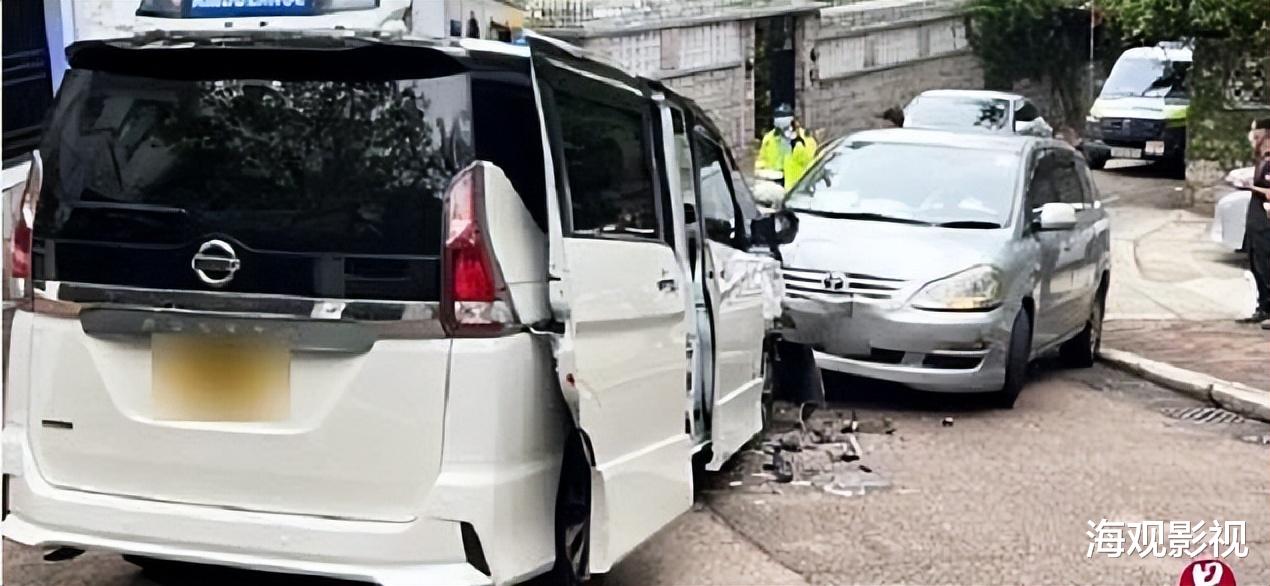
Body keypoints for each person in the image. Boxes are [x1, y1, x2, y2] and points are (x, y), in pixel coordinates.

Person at [1241, 118, 1270, 327]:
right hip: (1257, 220)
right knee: (1256, 262)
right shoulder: (1261, 158)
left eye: (1257, 135)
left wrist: (1250, 187)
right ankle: (1263, 307)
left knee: (1266, 263)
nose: (1254, 139)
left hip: (1266, 218)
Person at [756, 103, 818, 188]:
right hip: (774, 186)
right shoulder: (769, 138)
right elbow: (762, 160)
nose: (780, 120)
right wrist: (760, 171)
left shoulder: (806, 139)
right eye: (777, 117)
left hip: (797, 187)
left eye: (783, 116)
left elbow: (813, 164)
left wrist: (798, 146)